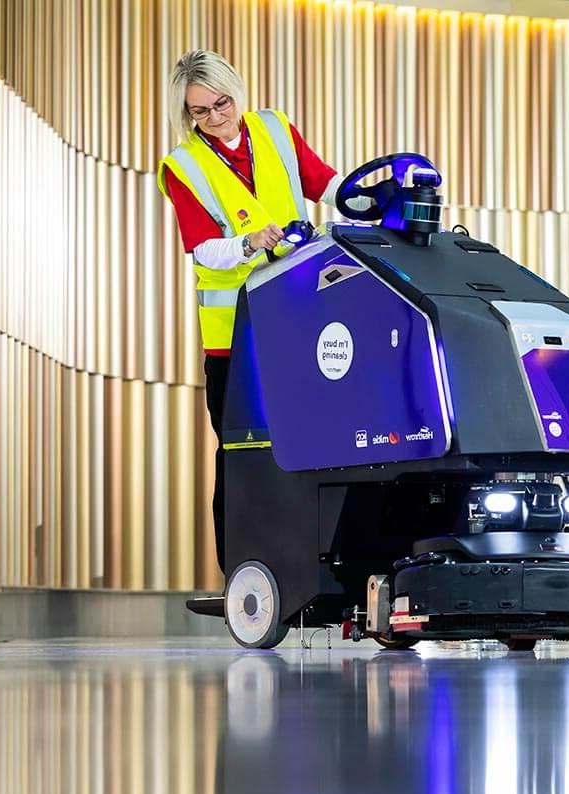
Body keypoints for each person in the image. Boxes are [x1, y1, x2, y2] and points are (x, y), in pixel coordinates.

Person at [159, 49, 368, 573]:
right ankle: (244, 573)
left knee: (316, 442)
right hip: (235, 339)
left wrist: (371, 197)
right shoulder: (182, 166)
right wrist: (249, 242)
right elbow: (204, 248)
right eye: (199, 112)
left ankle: (315, 565)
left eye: (221, 103)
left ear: (236, 92)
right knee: (244, 457)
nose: (214, 118)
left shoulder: (274, 130)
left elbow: (326, 184)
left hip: (298, 322)